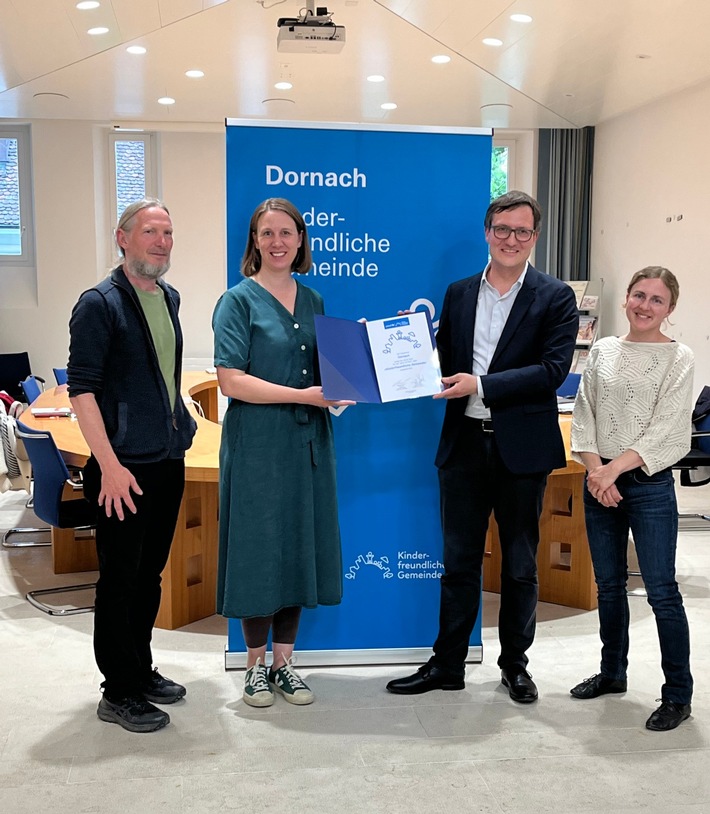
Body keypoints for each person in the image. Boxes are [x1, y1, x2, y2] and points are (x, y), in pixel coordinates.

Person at [387, 190, 579, 702]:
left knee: (519, 565)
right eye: (502, 229)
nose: (511, 239)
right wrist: (406, 343)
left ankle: (515, 666)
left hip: (522, 450)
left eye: (522, 231)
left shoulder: (556, 296)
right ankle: (448, 665)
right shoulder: (459, 293)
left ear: (535, 237)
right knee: (458, 564)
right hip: (464, 446)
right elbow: (444, 359)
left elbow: (552, 371)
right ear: (487, 232)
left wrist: (483, 385)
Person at [212, 198, 350, 707]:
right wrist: (304, 396)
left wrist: (351, 381)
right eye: (267, 233)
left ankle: (284, 664)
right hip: (257, 445)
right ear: (255, 241)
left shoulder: (313, 299)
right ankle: (253, 667)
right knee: (258, 548)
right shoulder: (237, 301)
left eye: (286, 233)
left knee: (297, 545)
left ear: (300, 240)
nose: (277, 242)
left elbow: (328, 374)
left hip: (309, 441)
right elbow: (231, 381)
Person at [68, 198, 196, 733]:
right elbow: (82, 390)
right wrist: (110, 464)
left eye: (167, 233)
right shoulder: (98, 304)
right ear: (123, 238)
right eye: (150, 232)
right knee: (120, 580)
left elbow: (162, 375)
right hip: (121, 469)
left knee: (149, 576)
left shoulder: (169, 297)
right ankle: (117, 690)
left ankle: (140, 670)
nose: (161, 242)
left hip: (166, 458)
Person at [570, 266, 694, 731]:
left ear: (670, 308)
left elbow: (668, 429)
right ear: (626, 298)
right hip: (599, 481)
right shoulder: (602, 350)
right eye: (639, 295)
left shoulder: (679, 358)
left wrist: (612, 470)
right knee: (608, 585)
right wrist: (596, 472)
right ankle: (612, 673)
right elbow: (584, 414)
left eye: (656, 300)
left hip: (648, 485)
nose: (645, 306)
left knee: (662, 592)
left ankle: (677, 695)